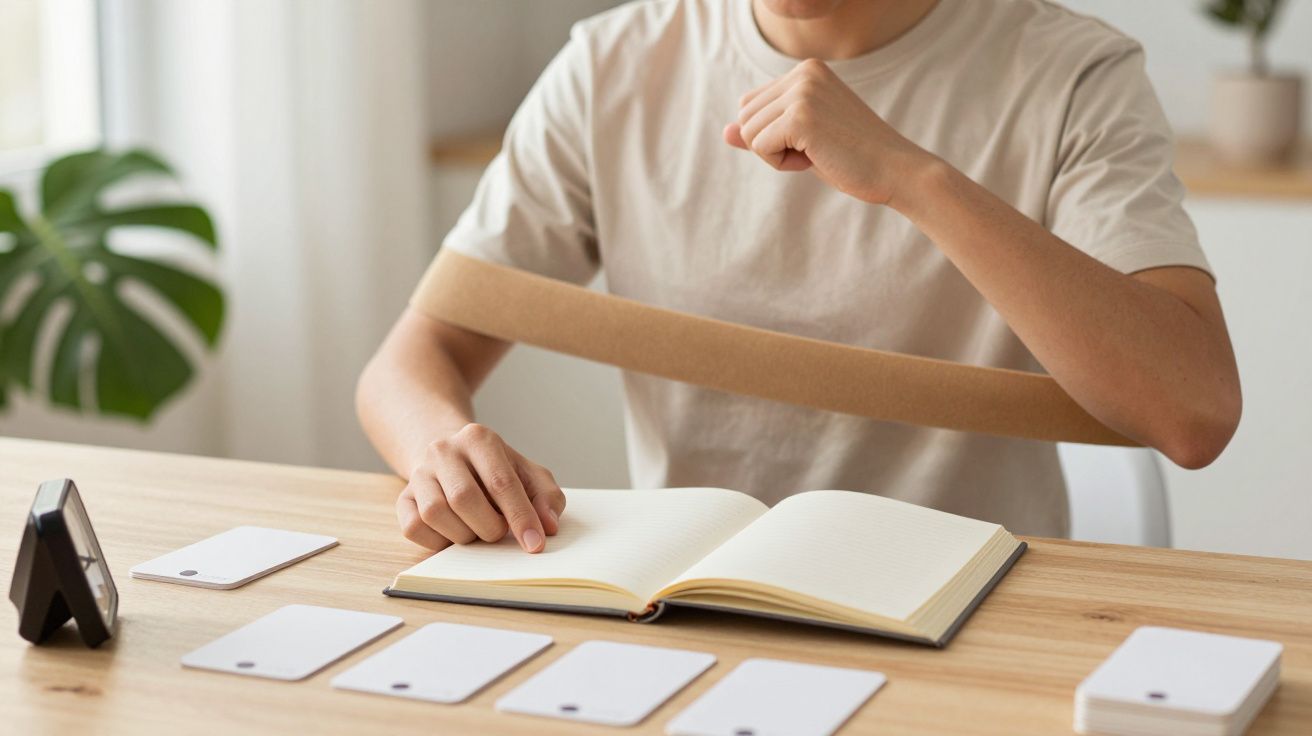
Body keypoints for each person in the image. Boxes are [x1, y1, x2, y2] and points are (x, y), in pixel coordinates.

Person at [357, 0, 1241, 554]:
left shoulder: (1072, 72)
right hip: (689, 604)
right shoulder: (609, 66)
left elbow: (1192, 410)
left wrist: (912, 178)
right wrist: (439, 448)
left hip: (970, 613)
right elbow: (408, 363)